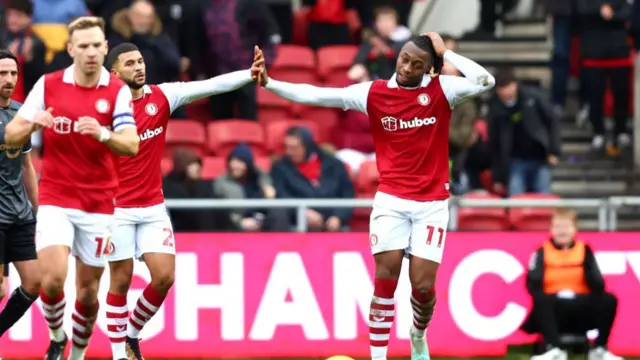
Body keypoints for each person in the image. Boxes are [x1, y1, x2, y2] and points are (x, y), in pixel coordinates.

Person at [251, 32, 495, 360]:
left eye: (417, 64)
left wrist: (445, 52)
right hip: (391, 201)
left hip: (432, 204)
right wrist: (270, 83)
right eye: (404, 59)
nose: (407, 67)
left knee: (423, 289)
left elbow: (485, 81)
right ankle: (377, 357)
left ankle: (418, 335)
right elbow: (317, 95)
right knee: (385, 277)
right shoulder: (373, 93)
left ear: (429, 69)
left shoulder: (442, 91)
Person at [106, 42, 254, 360]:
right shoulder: (102, 109)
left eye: (141, 61)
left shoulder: (161, 96)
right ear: (114, 73)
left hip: (152, 206)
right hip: (115, 209)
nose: (139, 67)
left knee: (164, 277)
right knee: (120, 281)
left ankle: (132, 333)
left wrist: (248, 73)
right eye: (130, 63)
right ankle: (119, 355)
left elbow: (209, 86)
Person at [3, 16, 139, 360]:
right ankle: (56, 335)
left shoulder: (117, 90)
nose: (91, 52)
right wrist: (33, 121)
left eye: (97, 45)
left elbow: (131, 144)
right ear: (70, 49)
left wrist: (104, 134)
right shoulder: (48, 85)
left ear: (105, 47)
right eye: (83, 46)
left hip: (98, 203)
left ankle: (77, 353)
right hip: (56, 198)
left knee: (88, 293)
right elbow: (10, 135)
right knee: (51, 279)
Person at [521, 208, 622, 360]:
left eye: (566, 227)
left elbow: (598, 284)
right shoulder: (541, 251)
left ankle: (599, 349)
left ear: (575, 229)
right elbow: (532, 284)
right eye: (558, 227)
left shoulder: (584, 250)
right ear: (551, 229)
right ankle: (554, 349)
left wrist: (589, 275)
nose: (562, 231)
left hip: (580, 303)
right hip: (553, 305)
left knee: (609, 300)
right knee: (541, 299)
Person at [0, 49, 40, 338]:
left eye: (13, 73)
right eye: (2, 73)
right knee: (0, 288)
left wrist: (39, 213)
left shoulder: (21, 113)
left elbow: (27, 165)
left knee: (33, 283)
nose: (9, 79)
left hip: (21, 215)